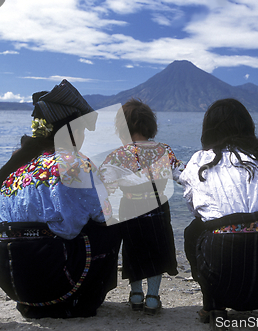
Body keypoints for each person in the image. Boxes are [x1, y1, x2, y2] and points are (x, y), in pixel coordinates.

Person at [0, 79, 121, 319]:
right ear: (71, 131)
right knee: (109, 226)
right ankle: (84, 299)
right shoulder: (74, 162)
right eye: (81, 129)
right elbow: (101, 213)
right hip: (55, 276)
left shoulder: (15, 167)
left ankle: (35, 304)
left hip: (11, 277)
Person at [179, 99, 258, 330]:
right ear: (248, 126)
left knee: (194, 230)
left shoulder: (201, 160)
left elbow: (196, 209)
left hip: (225, 265)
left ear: (208, 129)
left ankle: (214, 304)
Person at [99, 99, 184, 315]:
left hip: (130, 207)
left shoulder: (117, 155)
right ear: (150, 125)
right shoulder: (164, 150)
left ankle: (136, 295)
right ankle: (153, 298)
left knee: (133, 250)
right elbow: (182, 176)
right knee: (157, 251)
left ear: (122, 127)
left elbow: (105, 185)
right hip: (158, 209)